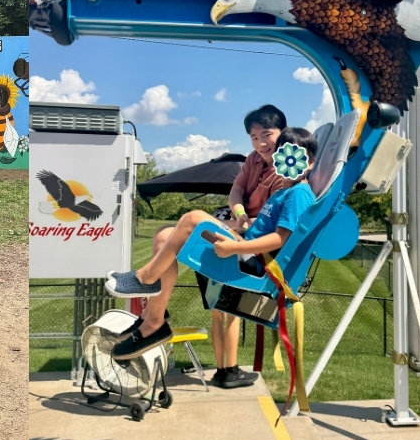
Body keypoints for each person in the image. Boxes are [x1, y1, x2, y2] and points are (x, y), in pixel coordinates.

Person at [105, 128, 317, 368]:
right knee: (165, 235)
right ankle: (153, 321)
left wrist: (235, 247)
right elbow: (263, 227)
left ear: (309, 163)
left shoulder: (298, 194)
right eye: (283, 155)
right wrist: (239, 225)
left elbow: (280, 239)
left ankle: (145, 279)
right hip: (244, 246)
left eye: (298, 157)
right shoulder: (283, 192)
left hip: (251, 262)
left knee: (193, 218)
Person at [207, 104, 286, 388]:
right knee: (223, 308)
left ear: (282, 132)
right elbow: (236, 191)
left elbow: (272, 223)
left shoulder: (287, 172)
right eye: (254, 137)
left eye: (267, 135)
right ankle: (226, 371)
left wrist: (244, 224)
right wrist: (239, 213)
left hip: (252, 240)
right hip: (240, 231)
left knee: (225, 308)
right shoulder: (253, 159)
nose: (261, 143)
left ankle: (226, 370)